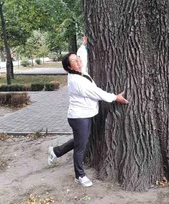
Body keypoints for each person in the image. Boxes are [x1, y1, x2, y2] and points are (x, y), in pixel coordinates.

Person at [48, 43, 128, 187]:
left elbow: (81, 57)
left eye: (77, 58)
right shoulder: (77, 82)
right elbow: (96, 93)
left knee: (80, 140)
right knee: (81, 147)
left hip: (84, 115)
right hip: (79, 118)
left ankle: (56, 151)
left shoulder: (79, 71)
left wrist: (83, 46)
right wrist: (115, 97)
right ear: (69, 67)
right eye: (75, 61)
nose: (78, 61)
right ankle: (79, 175)